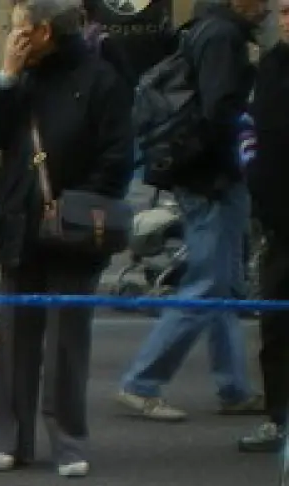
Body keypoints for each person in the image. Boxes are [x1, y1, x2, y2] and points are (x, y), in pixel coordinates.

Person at [0, 0, 133, 477]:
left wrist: (79, 204)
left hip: (75, 228)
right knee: (16, 333)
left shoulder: (101, 79)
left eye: (18, 26)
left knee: (68, 337)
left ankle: (69, 440)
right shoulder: (20, 77)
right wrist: (4, 77)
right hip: (19, 222)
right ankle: (9, 437)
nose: (11, 34)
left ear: (42, 31)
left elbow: (118, 156)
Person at [115, 0, 269, 424]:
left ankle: (234, 386)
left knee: (222, 285)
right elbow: (221, 112)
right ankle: (141, 382)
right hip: (213, 180)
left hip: (201, 175)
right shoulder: (224, 37)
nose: (269, 8)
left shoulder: (206, 28)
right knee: (205, 285)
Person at [238, 35, 288, 454]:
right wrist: (250, 166)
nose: (288, 19)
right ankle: (279, 418)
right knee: (275, 327)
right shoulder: (272, 64)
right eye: (285, 11)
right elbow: (249, 124)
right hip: (276, 220)